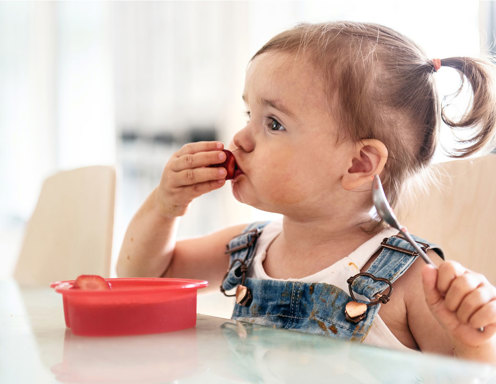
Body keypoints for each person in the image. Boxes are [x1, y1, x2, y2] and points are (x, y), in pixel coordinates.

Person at [117, 22, 496, 363]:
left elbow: (464, 376)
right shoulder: (248, 247)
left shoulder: (411, 278)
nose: (240, 139)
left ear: (359, 164)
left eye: (275, 123)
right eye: (250, 115)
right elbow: (143, 279)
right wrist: (165, 206)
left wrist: (473, 342)